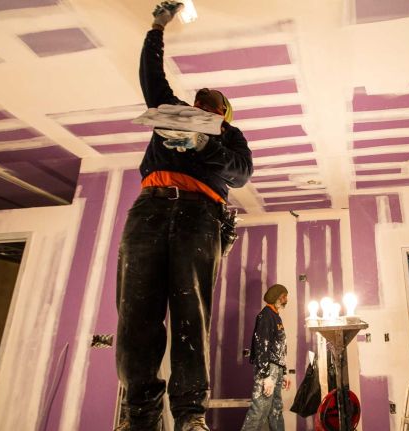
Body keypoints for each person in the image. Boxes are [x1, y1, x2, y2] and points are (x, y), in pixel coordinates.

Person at [115, 2, 252, 431]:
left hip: (200, 215)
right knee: (137, 313)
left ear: (223, 114)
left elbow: (241, 173)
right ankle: (140, 416)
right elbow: (152, 81)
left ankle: (190, 417)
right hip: (150, 209)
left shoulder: (231, 136)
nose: (203, 102)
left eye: (213, 105)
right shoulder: (175, 112)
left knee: (190, 312)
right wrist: (157, 28)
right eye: (199, 101)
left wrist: (201, 144)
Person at [241, 284, 291, 431]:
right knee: (259, 410)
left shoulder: (276, 317)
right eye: (283, 296)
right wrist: (265, 375)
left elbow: (280, 347)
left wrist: (285, 371)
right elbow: (261, 346)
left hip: (277, 368)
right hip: (268, 369)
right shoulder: (265, 316)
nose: (286, 299)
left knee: (276, 410)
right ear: (275, 297)